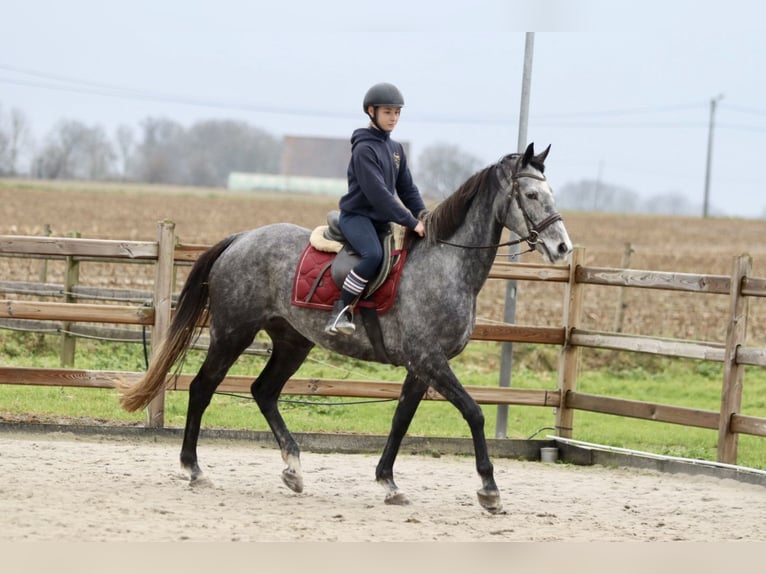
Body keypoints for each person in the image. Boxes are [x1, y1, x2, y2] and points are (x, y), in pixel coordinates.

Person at [324, 82, 427, 336]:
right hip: (357, 217)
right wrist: (409, 220)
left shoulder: (395, 149)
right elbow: (378, 194)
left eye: (397, 113)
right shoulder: (364, 148)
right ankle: (341, 310)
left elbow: (407, 189)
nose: (393, 118)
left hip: (381, 222)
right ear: (371, 111)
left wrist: (423, 215)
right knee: (372, 255)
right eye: (388, 112)